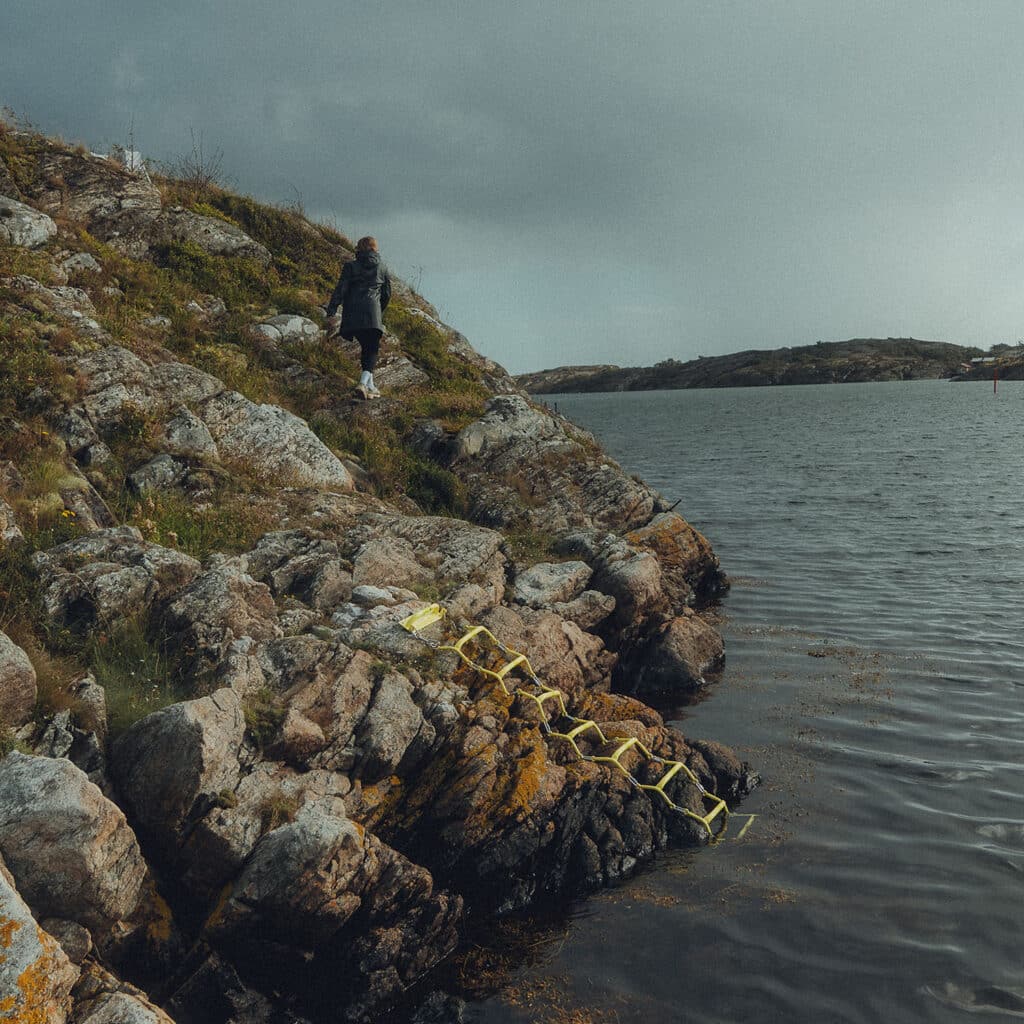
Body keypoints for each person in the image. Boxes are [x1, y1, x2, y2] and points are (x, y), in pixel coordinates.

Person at [325, 236, 392, 399]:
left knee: (366, 348)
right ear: (375, 248)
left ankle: (370, 386)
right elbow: (387, 295)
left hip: (353, 313)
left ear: (359, 248)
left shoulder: (350, 266)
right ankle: (362, 383)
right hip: (372, 312)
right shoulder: (383, 268)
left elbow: (341, 289)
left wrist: (332, 309)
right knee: (372, 349)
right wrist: (378, 311)